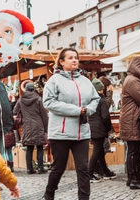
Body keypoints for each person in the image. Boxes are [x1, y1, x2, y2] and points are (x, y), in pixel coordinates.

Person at [42, 48, 100, 200]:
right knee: (58, 168)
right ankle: (49, 194)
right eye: (70, 58)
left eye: (76, 57)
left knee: (83, 169)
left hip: (82, 131)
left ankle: (84, 198)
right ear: (61, 62)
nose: (74, 60)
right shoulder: (54, 80)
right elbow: (48, 102)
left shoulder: (85, 80)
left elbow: (96, 99)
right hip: (61, 133)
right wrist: (77, 110)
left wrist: (88, 110)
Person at [119, 56, 140, 190]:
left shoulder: (131, 79)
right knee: (134, 151)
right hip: (133, 121)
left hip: (133, 120)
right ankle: (134, 179)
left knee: (136, 151)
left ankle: (136, 177)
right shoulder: (134, 81)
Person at [13, 82, 48, 174]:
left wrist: (22, 111)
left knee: (29, 147)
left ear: (26, 89)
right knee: (39, 146)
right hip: (38, 124)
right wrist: (46, 127)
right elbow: (44, 114)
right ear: (33, 89)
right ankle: (40, 168)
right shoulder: (38, 99)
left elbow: (14, 110)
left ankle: (29, 168)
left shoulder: (21, 99)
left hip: (27, 125)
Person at [88, 78, 116, 183]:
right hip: (99, 128)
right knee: (97, 151)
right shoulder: (101, 100)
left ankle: (105, 171)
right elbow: (105, 117)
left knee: (99, 151)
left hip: (92, 128)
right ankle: (89, 173)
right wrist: (108, 128)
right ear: (100, 90)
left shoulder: (89, 100)